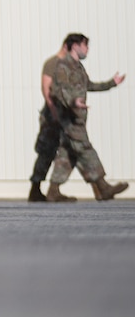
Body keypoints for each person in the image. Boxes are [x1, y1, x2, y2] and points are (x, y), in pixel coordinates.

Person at [30, 33, 127, 202]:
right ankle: (102, 186)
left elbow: (87, 86)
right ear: (74, 45)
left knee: (69, 153)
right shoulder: (57, 64)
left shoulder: (78, 67)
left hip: (72, 117)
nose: (88, 49)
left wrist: (112, 83)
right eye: (85, 45)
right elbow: (52, 91)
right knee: (69, 150)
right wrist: (65, 106)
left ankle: (54, 189)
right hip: (60, 117)